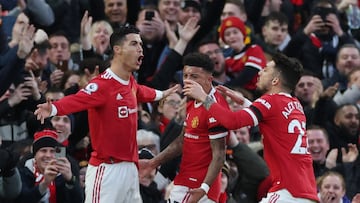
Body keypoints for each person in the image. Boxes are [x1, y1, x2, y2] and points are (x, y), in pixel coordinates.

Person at [34, 25, 179, 203]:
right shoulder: (102, 85)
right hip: (107, 170)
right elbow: (77, 100)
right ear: (117, 50)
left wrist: (162, 94)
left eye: (141, 44)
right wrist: (53, 109)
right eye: (134, 44)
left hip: (130, 169)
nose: (140, 48)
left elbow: (142, 91)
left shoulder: (130, 82)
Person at [183, 52, 319, 202]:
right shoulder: (295, 104)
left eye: (265, 70)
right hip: (306, 191)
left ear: (275, 80)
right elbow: (271, 118)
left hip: (288, 192)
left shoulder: (270, 101)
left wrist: (204, 98)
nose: (260, 72)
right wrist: (244, 102)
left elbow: (232, 122)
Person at [140, 53, 229, 203]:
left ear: (209, 80)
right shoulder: (191, 101)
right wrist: (153, 162)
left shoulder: (215, 107)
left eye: (194, 76)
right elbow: (183, 140)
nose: (188, 81)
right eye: (186, 75)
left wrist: (204, 188)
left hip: (198, 187)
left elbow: (219, 154)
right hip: (186, 180)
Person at [15, 129, 83, 203]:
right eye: (43, 151)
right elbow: (21, 199)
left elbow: (78, 200)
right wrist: (45, 183)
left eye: (52, 151)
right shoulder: (23, 172)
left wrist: (70, 180)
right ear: (35, 155)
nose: (48, 155)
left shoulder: (64, 173)